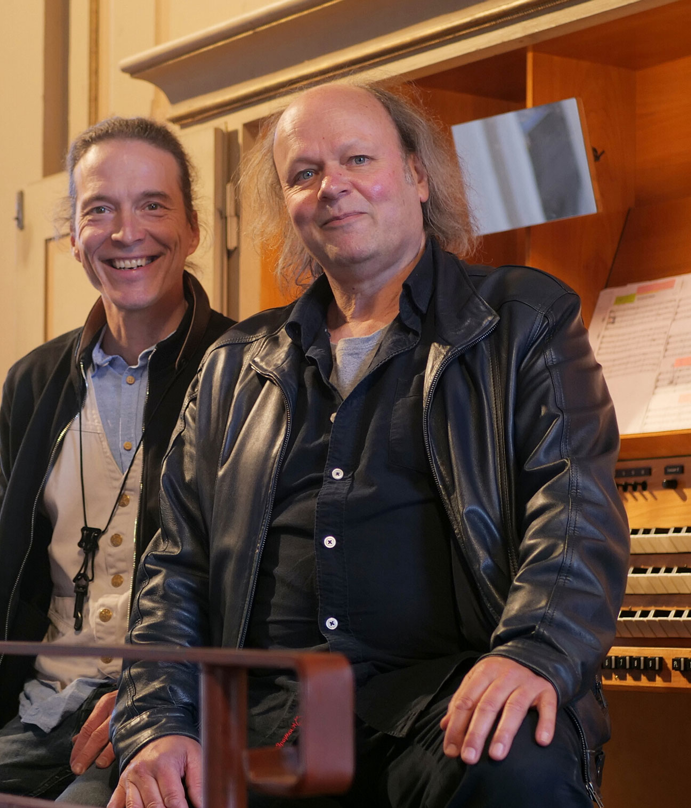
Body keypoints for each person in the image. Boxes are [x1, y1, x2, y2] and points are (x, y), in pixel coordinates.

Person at [108, 81, 631, 808]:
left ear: (417, 174)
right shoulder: (232, 366)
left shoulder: (524, 320)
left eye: (357, 159)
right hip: (272, 717)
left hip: (439, 702)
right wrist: (159, 725)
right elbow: (176, 568)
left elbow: (573, 508)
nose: (332, 187)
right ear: (289, 207)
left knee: (517, 766)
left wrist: (533, 651)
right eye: (305, 173)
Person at [0, 116, 234, 806]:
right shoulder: (33, 381)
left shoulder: (247, 368)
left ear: (192, 229)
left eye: (153, 205)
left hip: (168, 718)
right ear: (72, 238)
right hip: (40, 714)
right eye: (100, 210)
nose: (126, 232)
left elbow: (262, 591)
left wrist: (164, 703)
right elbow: (17, 570)